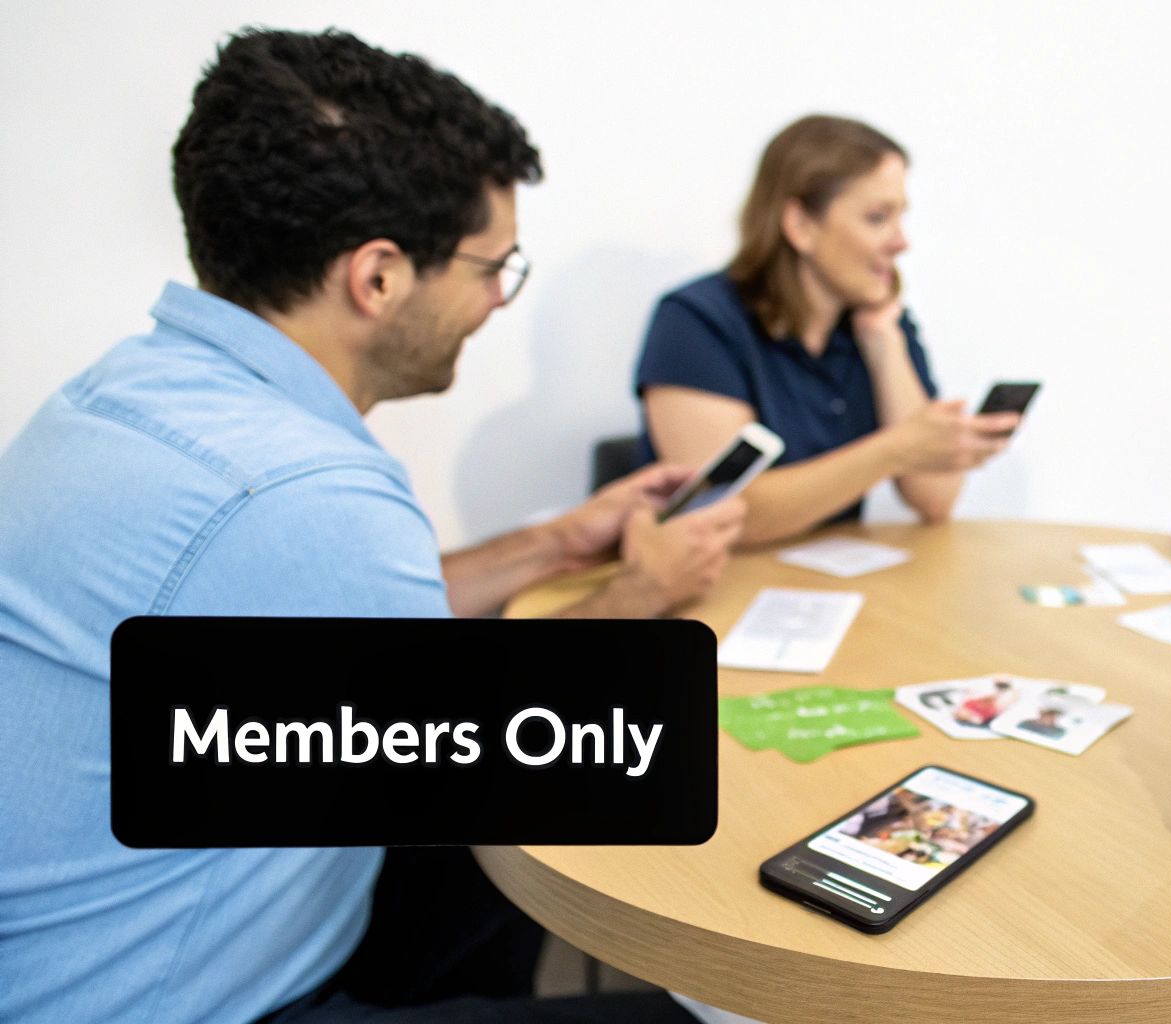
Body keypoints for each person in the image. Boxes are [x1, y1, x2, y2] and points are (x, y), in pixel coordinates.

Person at [0, 29, 718, 1023]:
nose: (495, 303)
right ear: (377, 277)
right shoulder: (312, 492)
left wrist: (553, 543)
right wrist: (640, 595)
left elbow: (320, 617)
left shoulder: (123, 394)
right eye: (492, 267)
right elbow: (527, 741)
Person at [633, 114, 1021, 545]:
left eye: (900, 217)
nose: (901, 242)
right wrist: (893, 450)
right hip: (712, 590)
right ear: (800, 225)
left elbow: (934, 499)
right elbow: (723, 511)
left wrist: (884, 343)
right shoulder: (695, 322)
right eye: (877, 218)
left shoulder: (878, 321)